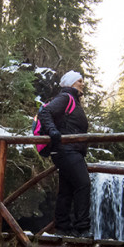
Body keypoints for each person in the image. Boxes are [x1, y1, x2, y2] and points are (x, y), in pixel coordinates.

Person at [38, 70, 91, 237]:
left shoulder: (73, 100)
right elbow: (45, 112)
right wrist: (53, 131)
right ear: (71, 83)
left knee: (66, 190)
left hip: (69, 151)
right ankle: (82, 229)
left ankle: (62, 228)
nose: (83, 83)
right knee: (83, 184)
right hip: (66, 150)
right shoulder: (66, 97)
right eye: (79, 81)